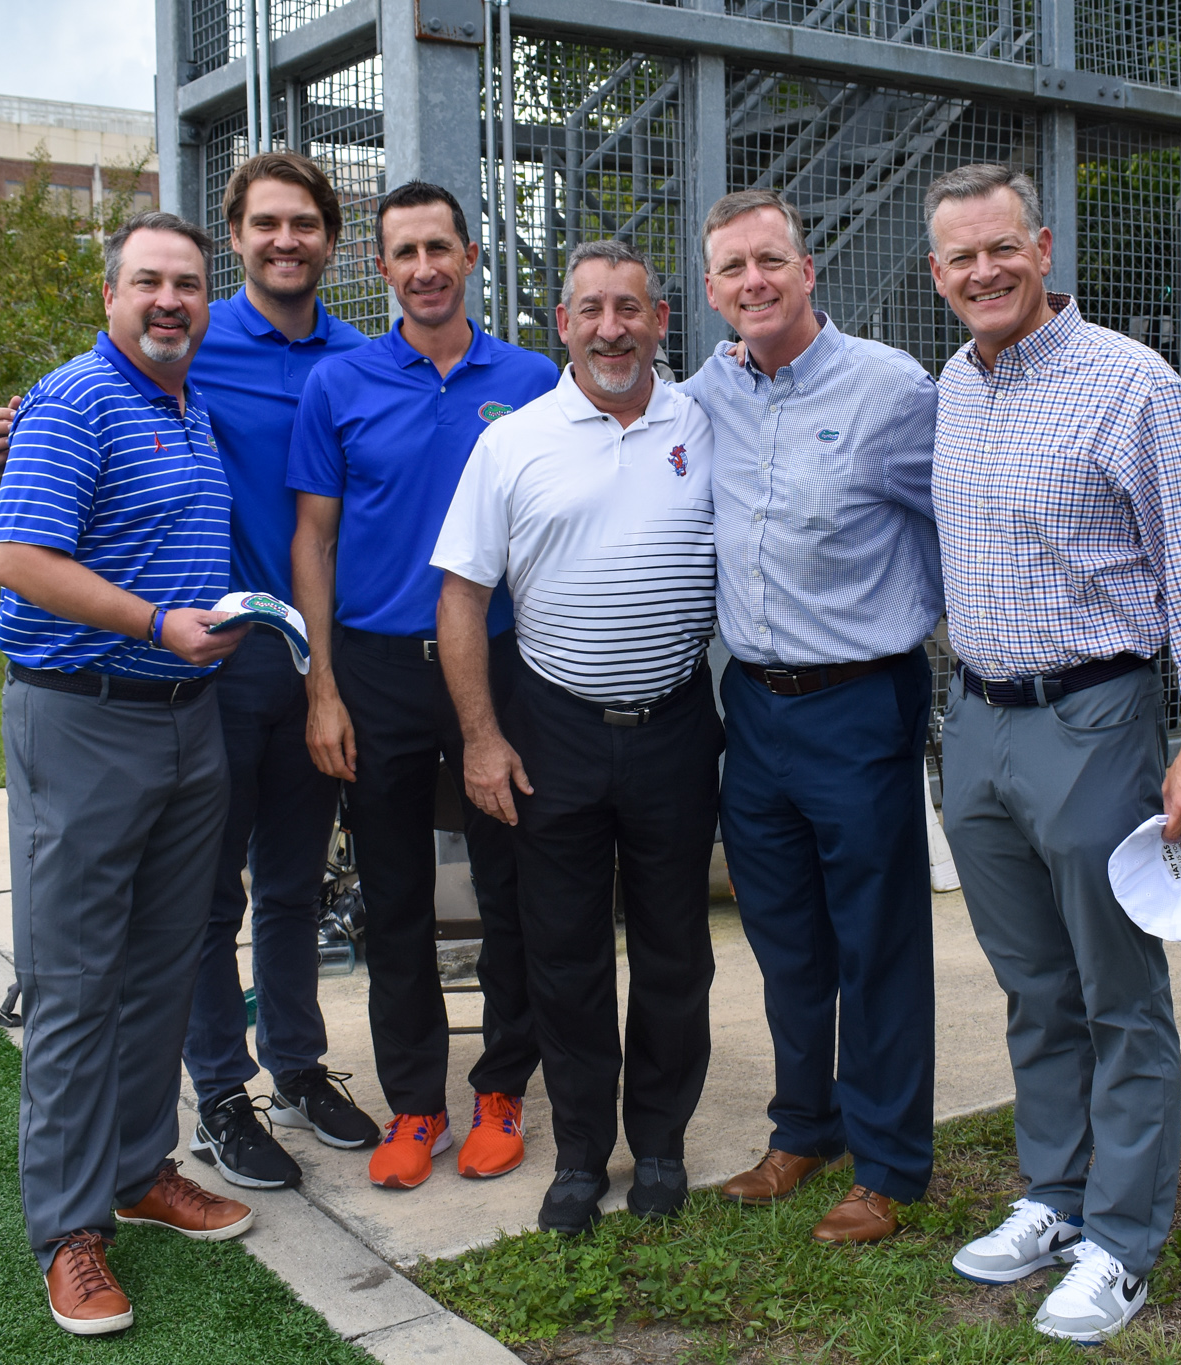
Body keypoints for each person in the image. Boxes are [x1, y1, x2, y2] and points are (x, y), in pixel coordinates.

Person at [0, 153, 381, 1191]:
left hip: (289, 660)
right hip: (180, 666)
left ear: (330, 243)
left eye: (305, 224)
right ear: (237, 240)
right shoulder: (188, 353)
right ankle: (219, 1096)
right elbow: (52, 473)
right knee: (193, 913)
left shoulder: (351, 361)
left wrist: (326, 675)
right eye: (263, 224)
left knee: (287, 886)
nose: (285, 240)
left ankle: (292, 1067)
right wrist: (6, 434)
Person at [925, 164, 1181, 1344]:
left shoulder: (1129, 383)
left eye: (999, 248)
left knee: (1120, 997)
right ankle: (1053, 1196)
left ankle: (1120, 1240)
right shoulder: (951, 388)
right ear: (936, 274)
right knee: (1032, 986)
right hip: (977, 724)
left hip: (1096, 722)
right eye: (959, 258)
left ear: (1043, 248)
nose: (982, 272)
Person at [0, 212, 259, 1336]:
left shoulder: (185, 407)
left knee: (161, 966)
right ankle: (67, 1231)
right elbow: (18, 558)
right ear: (110, 295)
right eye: (147, 282)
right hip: (85, 718)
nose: (169, 301)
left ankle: (139, 1172)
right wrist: (155, 623)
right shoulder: (76, 398)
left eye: (187, 284)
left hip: (187, 720)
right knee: (74, 984)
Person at [433, 240, 721, 1236]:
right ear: (561, 325)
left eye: (629, 308)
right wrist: (480, 737)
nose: (611, 328)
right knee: (562, 954)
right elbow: (461, 597)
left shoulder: (704, 423)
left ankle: (662, 1144)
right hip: (550, 728)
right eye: (590, 309)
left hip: (677, 727)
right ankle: (578, 1155)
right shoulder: (512, 441)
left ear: (660, 321)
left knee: (676, 950)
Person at [683, 190, 943, 1244]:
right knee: (783, 936)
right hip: (751, 708)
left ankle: (886, 1165)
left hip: (858, 703)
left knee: (875, 941)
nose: (753, 282)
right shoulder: (703, 392)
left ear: (806, 269)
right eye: (731, 269)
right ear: (708, 292)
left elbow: (952, 522)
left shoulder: (890, 389)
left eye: (769, 262)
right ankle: (805, 1128)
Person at [288, 181, 555, 1190]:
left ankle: (500, 1088)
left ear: (472, 256)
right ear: (379, 267)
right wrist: (322, 687)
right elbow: (312, 539)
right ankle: (412, 1104)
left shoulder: (530, 380)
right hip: (376, 669)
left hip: (496, 669)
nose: (424, 267)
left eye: (440, 247)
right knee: (392, 895)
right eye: (404, 252)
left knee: (511, 888)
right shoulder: (340, 385)